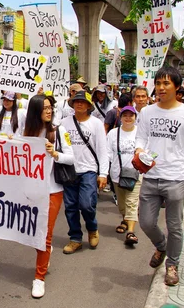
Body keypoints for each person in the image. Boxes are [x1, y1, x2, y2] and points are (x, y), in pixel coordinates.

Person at [134, 66, 184, 286]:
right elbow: (140, 138)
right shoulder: (147, 112)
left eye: (166, 83)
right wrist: (138, 150)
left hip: (176, 177)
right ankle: (161, 246)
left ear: (177, 87)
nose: (161, 88)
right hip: (151, 175)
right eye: (158, 83)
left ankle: (172, 264)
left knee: (174, 225)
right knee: (146, 222)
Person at [22, 94, 75, 298]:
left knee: (45, 235)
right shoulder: (25, 132)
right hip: (30, 191)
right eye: (44, 107)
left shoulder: (59, 131)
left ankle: (39, 277)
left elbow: (71, 159)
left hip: (52, 191)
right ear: (35, 110)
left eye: (50, 107)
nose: (49, 110)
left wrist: (56, 154)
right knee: (34, 234)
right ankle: (45, 251)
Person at [60, 91, 109, 253]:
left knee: (87, 205)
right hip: (69, 170)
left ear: (89, 105)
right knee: (70, 207)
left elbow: (103, 150)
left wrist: (103, 174)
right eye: (76, 101)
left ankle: (92, 228)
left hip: (88, 170)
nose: (79, 104)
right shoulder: (63, 123)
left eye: (82, 101)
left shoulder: (96, 124)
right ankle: (75, 238)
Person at [106, 106, 142, 246]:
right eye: (125, 115)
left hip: (135, 174)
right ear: (120, 118)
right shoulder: (113, 134)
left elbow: (147, 151)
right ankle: (125, 220)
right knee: (121, 204)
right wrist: (104, 172)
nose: (128, 118)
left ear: (135, 117)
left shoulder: (140, 133)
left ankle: (130, 232)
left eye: (131, 115)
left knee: (132, 203)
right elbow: (108, 153)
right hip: (117, 174)